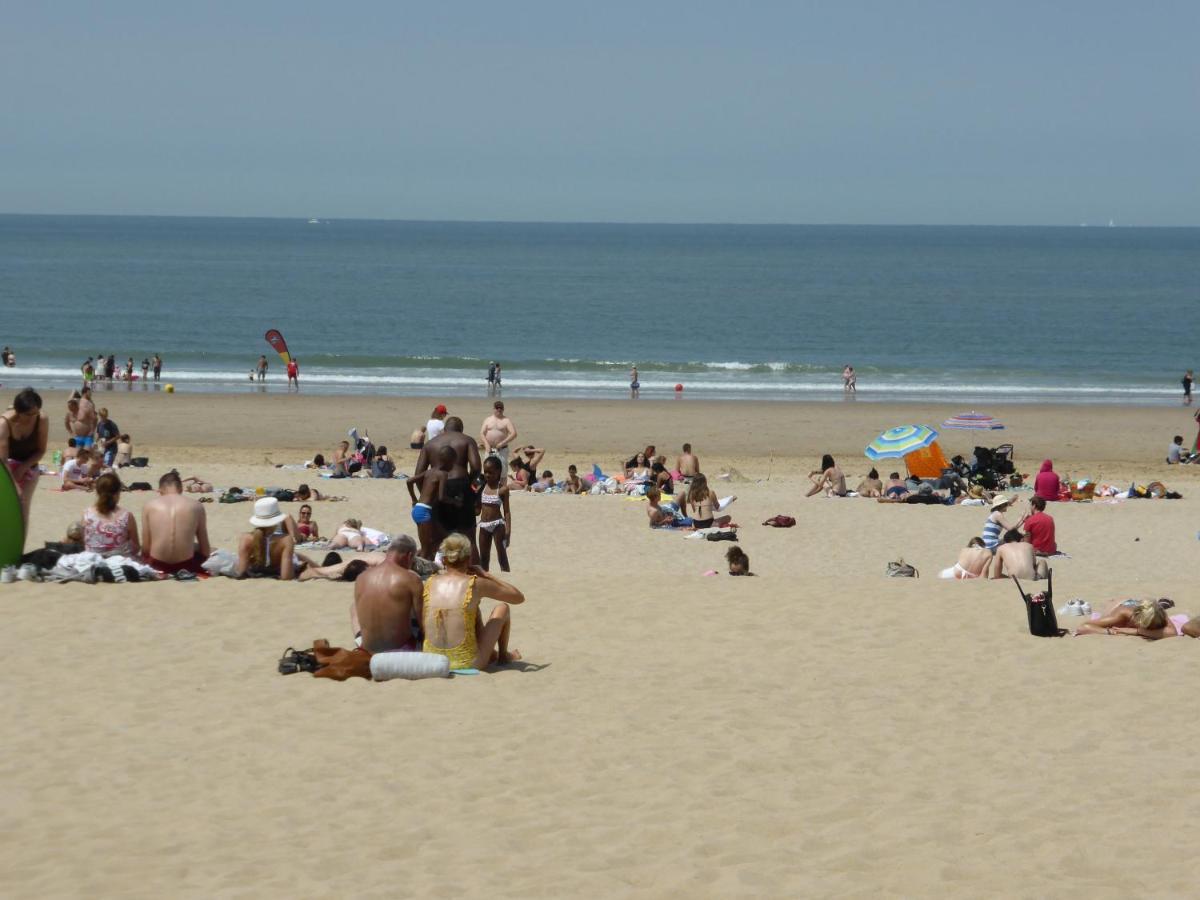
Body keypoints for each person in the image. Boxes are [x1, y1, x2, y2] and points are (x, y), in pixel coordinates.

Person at [421, 533, 523, 670]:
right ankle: (503, 656)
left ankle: (493, 654)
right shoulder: (475, 584)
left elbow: (424, 623)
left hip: (431, 658)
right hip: (466, 662)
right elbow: (518, 597)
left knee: (471, 611)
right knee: (502, 608)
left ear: (444, 560)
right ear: (468, 559)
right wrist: (488, 576)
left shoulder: (429, 582)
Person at [414, 415, 483, 561]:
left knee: (436, 538)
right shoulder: (467, 440)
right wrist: (470, 489)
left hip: (438, 487)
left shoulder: (430, 444)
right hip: (461, 485)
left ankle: (431, 573)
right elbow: (476, 467)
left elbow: (418, 474)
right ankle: (475, 574)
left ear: (444, 429)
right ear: (461, 430)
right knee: (469, 537)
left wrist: (427, 494)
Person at [351, 535, 424, 652]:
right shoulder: (411, 579)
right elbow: (423, 621)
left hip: (367, 650)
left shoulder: (361, 578)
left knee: (353, 607)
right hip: (401, 650)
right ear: (409, 556)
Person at [141, 471, 211, 573]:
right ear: (181, 489)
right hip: (187, 564)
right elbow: (205, 551)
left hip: (157, 564)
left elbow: (146, 549)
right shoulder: (197, 506)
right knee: (209, 549)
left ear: (160, 490)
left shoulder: (149, 506)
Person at [1, 387, 49, 527]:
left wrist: (22, 468)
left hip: (29, 465)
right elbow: (3, 460)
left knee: (23, 507)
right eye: (28, 414)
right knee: (6, 508)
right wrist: (14, 485)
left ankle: (20, 546)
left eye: (36, 413)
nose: (33, 417)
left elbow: (41, 450)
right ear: (18, 411)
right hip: (6, 468)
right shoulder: (4, 423)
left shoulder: (41, 419)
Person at [235, 497, 301, 580]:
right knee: (305, 564)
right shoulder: (286, 540)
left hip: (254, 573)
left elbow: (241, 572)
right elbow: (286, 577)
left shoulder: (245, 538)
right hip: (276, 572)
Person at [407, 444, 454, 558]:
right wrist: (455, 501)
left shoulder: (429, 471)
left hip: (418, 508)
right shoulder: (443, 474)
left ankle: (417, 561)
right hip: (424, 512)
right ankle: (421, 571)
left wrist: (414, 498)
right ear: (448, 461)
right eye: (453, 463)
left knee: (431, 542)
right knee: (427, 548)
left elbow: (409, 481)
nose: (453, 466)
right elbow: (442, 497)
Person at [83, 473, 140, 557]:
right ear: (118, 493)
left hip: (93, 562)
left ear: (97, 492)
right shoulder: (126, 516)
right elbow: (136, 547)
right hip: (118, 562)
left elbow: (86, 542)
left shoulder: (87, 514)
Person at [1074, 598, 1182, 639]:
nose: (1151, 629)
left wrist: (1138, 631)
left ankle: (1162, 603)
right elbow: (1083, 627)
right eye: (1149, 627)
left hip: (1141, 607)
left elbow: (1173, 632)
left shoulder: (1158, 613)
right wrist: (1110, 631)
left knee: (1154, 606)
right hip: (1122, 604)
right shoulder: (1122, 615)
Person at [477, 456, 511, 572]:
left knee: (501, 554)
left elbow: (506, 511)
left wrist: (508, 531)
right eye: (485, 472)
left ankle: (507, 577)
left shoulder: (503, 490)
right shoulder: (481, 487)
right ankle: (485, 580)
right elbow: (477, 508)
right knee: (484, 557)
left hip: (497, 524)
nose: (487, 475)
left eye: (490, 472)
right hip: (483, 525)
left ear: (499, 472)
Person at [480, 400, 518, 467]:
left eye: (501, 408)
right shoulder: (488, 420)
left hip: (501, 450)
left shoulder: (506, 420)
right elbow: (482, 433)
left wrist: (502, 443)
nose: (499, 409)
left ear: (503, 409)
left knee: (502, 470)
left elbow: (514, 434)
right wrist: (486, 444)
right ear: (494, 409)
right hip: (489, 449)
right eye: (497, 408)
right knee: (488, 468)